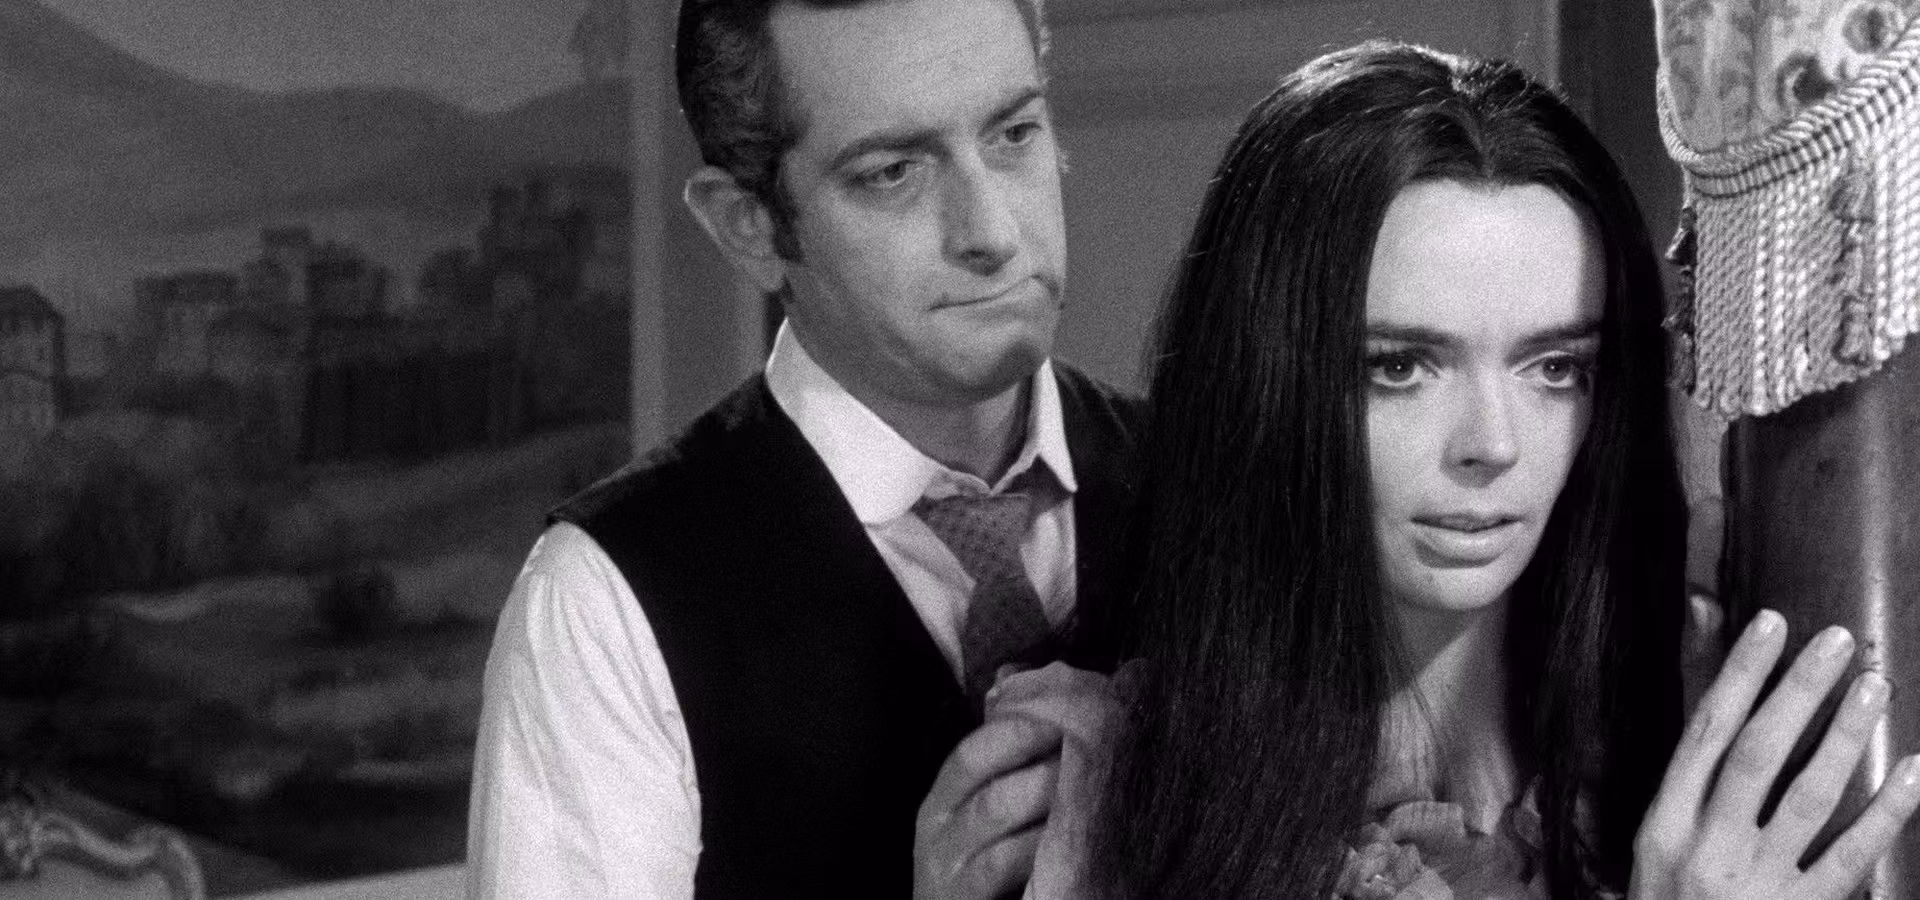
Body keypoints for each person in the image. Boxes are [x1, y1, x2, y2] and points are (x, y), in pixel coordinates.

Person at [1046, 41, 1920, 899]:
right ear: (1263, 381)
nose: (1493, 444)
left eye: (1556, 368)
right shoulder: (1107, 791)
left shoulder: (1683, 717)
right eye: (1399, 367)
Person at [464, 0, 1142, 898]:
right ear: (748, 227)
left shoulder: (1228, 485)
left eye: (1012, 133)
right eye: (893, 173)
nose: (992, 232)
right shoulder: (602, 606)